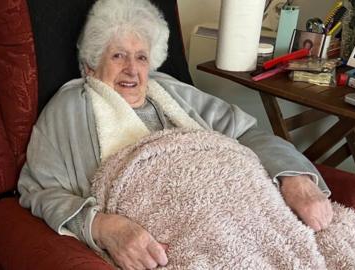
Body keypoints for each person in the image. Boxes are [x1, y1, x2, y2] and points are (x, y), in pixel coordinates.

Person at [18, 0, 333, 269]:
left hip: (241, 206)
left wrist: (294, 178)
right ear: (90, 66)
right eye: (118, 56)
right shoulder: (69, 106)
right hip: (177, 231)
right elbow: (39, 190)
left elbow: (247, 133)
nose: (132, 69)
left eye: (141, 57)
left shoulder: (168, 88)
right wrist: (103, 226)